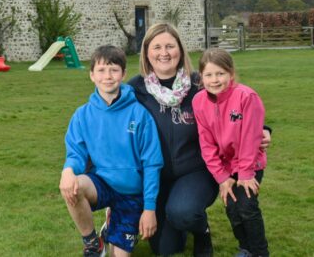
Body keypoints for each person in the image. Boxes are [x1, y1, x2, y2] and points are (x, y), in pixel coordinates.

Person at [128, 23, 271, 257]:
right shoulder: (135, 89)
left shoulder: (200, 83)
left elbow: (235, 107)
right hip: (157, 175)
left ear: (181, 51)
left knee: (184, 212)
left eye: (170, 46)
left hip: (196, 171)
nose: (164, 53)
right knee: (166, 248)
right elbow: (111, 116)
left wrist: (264, 129)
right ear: (146, 53)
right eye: (157, 47)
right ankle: (178, 222)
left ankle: (201, 231)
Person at [60, 45, 164, 257]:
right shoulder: (82, 115)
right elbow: (76, 154)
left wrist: (150, 208)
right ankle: (92, 243)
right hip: (102, 185)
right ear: (91, 75)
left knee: (120, 255)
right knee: (74, 185)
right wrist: (68, 171)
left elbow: (152, 164)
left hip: (131, 193)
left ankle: (114, 225)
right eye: (101, 70)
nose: (107, 76)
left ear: (124, 74)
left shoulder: (140, 114)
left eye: (114, 70)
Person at [192, 48, 269, 257]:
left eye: (220, 74)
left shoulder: (246, 97)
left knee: (247, 207)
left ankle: (260, 252)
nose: (214, 80)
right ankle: (245, 248)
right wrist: (222, 177)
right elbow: (206, 143)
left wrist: (245, 173)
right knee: (232, 209)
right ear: (201, 77)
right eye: (208, 75)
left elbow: (251, 138)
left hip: (249, 164)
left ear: (231, 74)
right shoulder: (198, 101)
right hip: (225, 168)